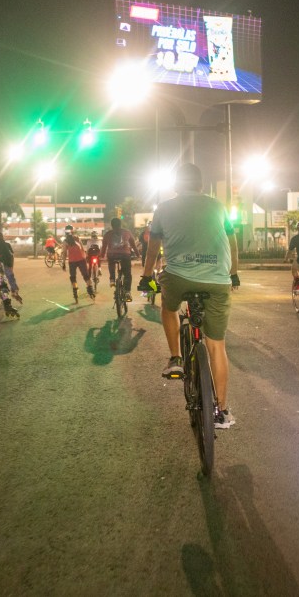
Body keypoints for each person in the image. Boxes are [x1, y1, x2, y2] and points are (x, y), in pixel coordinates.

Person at [139, 163, 239, 428]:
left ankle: (175, 359)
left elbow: (153, 249)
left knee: (168, 307)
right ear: (201, 185)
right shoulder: (218, 206)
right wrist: (234, 272)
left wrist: (146, 276)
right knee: (217, 345)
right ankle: (222, 412)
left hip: (179, 277)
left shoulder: (163, 208)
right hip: (218, 281)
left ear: (175, 185)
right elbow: (232, 240)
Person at [101, 217, 138, 301]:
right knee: (127, 274)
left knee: (111, 263)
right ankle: (127, 292)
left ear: (111, 225)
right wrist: (138, 254)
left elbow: (104, 247)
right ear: (120, 224)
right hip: (125, 255)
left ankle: (112, 279)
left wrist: (102, 255)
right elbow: (134, 245)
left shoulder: (107, 234)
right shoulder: (127, 232)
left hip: (112, 255)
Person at [60, 224, 92, 302]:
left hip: (72, 262)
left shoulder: (65, 241)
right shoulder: (77, 238)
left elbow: (64, 253)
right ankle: (90, 290)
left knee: (73, 277)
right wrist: (86, 257)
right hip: (81, 259)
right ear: (72, 231)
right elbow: (82, 248)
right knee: (86, 276)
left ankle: (75, 293)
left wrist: (63, 263)